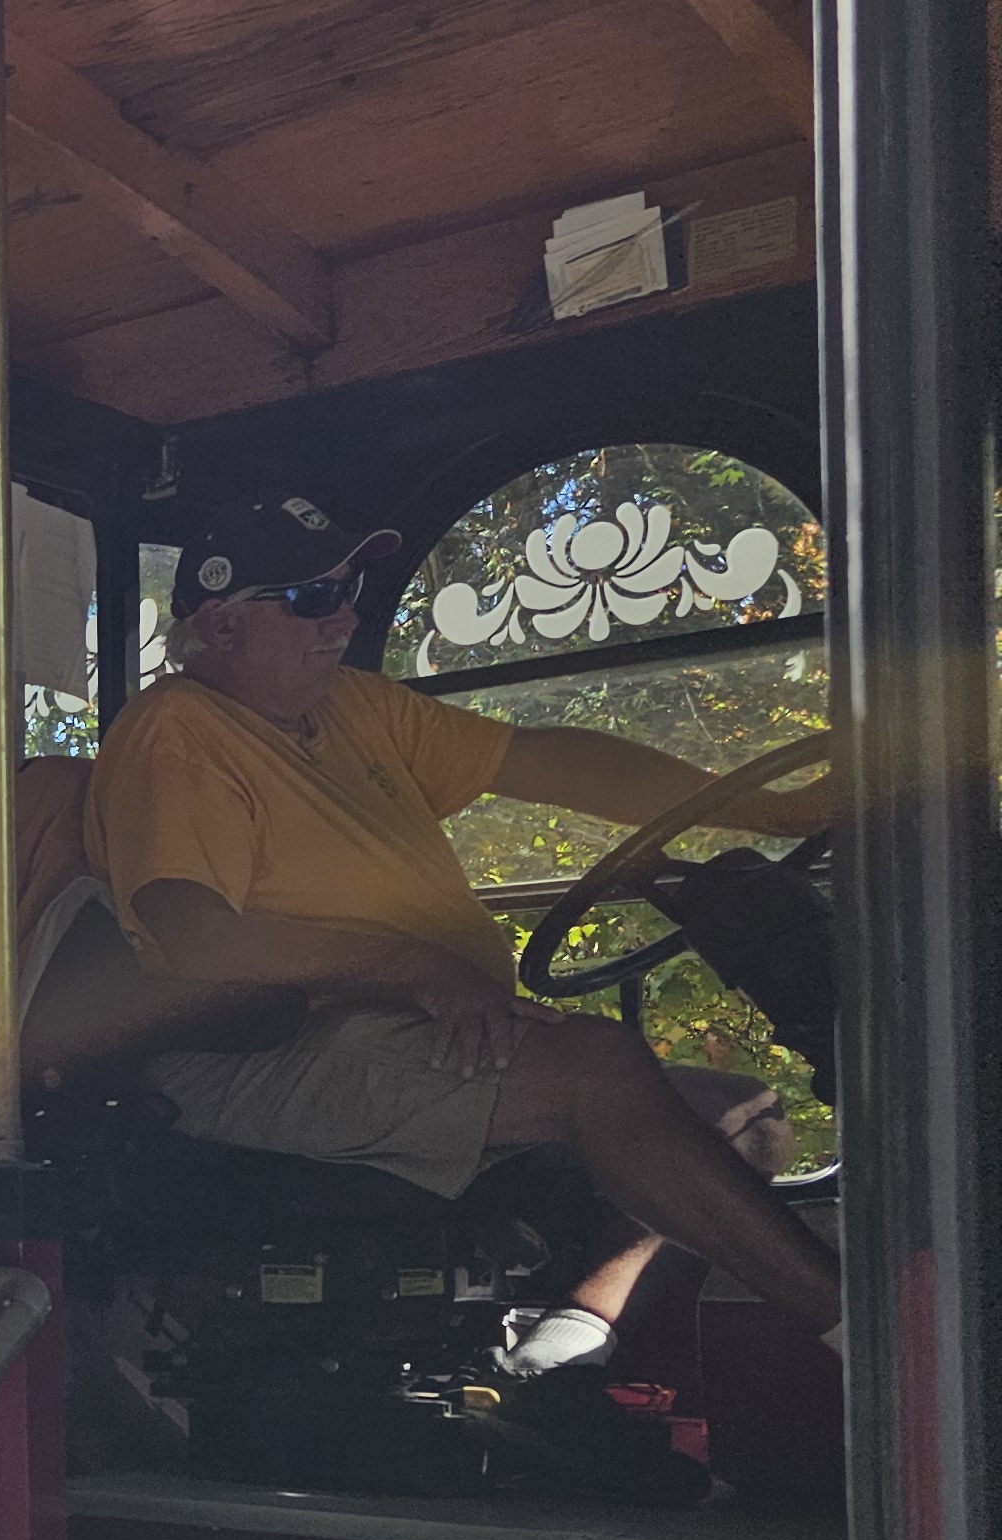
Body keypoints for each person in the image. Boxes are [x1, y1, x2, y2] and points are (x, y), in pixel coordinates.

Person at [89, 491, 843, 1367]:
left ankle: (570, 1357)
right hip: (258, 1051)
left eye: (349, 590)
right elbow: (197, 939)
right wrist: (416, 967)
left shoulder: (355, 710)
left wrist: (768, 810)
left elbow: (545, 761)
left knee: (744, 1119)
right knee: (595, 1069)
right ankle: (867, 1334)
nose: (344, 619)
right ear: (222, 624)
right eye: (313, 597)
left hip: (399, 1031)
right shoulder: (176, 732)